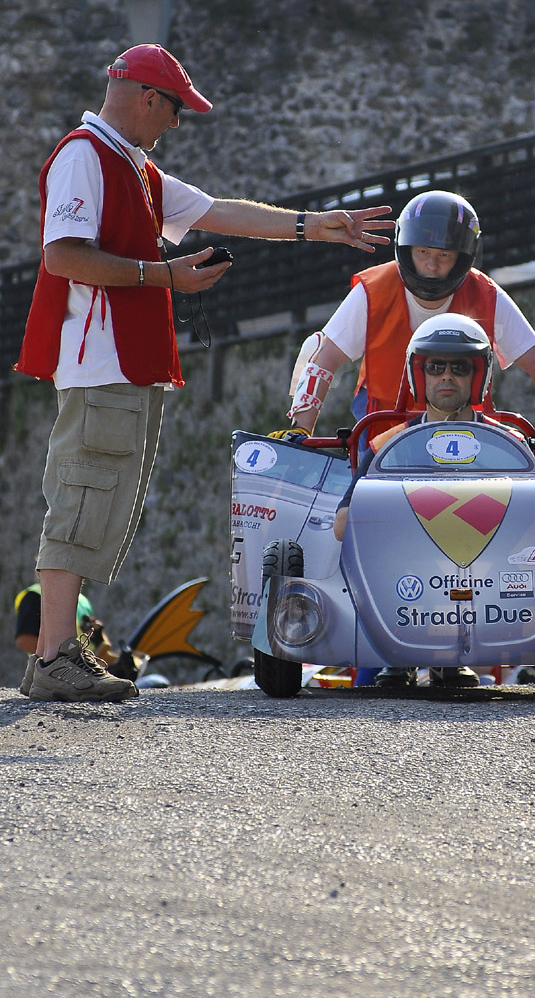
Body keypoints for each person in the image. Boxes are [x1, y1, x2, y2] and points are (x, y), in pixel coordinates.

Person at [14, 43, 394, 703]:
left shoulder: (132, 165)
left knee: (95, 498)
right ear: (146, 98)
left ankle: (59, 654)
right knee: (81, 494)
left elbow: (220, 211)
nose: (177, 124)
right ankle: (51, 657)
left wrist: (314, 226)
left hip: (120, 364)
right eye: (176, 109)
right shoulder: (86, 155)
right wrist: (165, 275)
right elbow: (63, 257)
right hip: (99, 362)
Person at [279, 190, 535, 448]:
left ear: (462, 257)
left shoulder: (486, 295)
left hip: (470, 433)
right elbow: (323, 357)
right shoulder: (373, 291)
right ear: (406, 249)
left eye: (443, 256)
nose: (433, 266)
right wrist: (300, 429)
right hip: (384, 434)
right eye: (423, 253)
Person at [334, 313, 524, 689]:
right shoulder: (386, 444)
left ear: (478, 376)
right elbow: (342, 523)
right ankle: (402, 655)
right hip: (404, 578)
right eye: (436, 366)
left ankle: (452, 658)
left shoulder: (509, 443)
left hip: (488, 572)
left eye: (459, 367)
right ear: (420, 375)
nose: (447, 376)